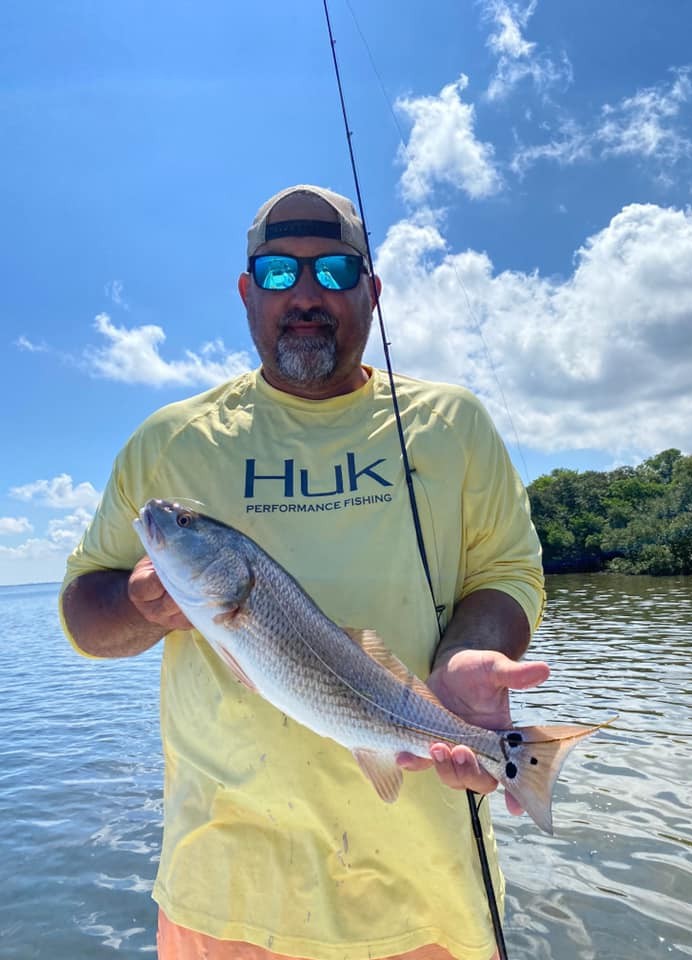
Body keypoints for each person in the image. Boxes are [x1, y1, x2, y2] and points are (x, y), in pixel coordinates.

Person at [60, 184, 547, 960]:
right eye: (280, 274)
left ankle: (526, 764)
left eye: (336, 269)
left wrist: (462, 657)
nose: (308, 293)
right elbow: (86, 615)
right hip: (225, 895)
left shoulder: (453, 425)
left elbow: (508, 571)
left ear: (372, 290)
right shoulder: (170, 441)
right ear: (248, 292)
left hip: (426, 889)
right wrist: (140, 605)